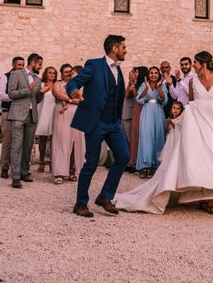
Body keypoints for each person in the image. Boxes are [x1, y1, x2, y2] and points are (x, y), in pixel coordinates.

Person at [115, 51, 213, 216]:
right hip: (199, 126)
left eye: (195, 63)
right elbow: (191, 103)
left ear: (203, 63)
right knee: (201, 161)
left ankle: (210, 199)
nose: (193, 66)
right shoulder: (193, 81)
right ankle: (207, 200)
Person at [66, 35, 130, 218]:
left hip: (113, 123)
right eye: (124, 47)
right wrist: (74, 91)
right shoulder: (94, 65)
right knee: (91, 162)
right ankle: (80, 204)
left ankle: (105, 196)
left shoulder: (119, 69)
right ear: (115, 49)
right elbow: (74, 82)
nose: (126, 50)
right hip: (96, 122)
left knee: (123, 157)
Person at [7, 53, 44, 188]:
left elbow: (37, 100)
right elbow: (11, 93)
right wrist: (27, 90)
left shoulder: (38, 80)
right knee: (17, 146)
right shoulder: (16, 74)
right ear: (33, 63)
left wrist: (41, 93)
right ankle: (15, 176)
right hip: (17, 114)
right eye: (39, 64)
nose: (40, 67)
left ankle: (24, 171)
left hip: (32, 115)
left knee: (28, 146)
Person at [135, 66, 168, 178]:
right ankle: (145, 166)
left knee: (158, 136)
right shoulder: (144, 85)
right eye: (151, 73)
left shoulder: (162, 85)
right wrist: (147, 87)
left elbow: (164, 99)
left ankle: (155, 166)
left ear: (158, 75)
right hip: (147, 110)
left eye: (155, 73)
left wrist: (158, 87)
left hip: (158, 111)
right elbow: (139, 99)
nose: (153, 75)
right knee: (146, 136)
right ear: (148, 75)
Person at [0, 56, 25, 179]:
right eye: (19, 65)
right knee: (7, 141)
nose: (21, 67)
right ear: (13, 65)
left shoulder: (25, 78)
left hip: (21, 112)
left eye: (23, 65)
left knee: (19, 142)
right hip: (8, 111)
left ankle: (18, 169)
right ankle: (4, 167)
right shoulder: (5, 77)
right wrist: (16, 96)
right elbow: (2, 95)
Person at [51, 64, 79, 184]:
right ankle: (59, 172)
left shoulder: (77, 83)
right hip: (62, 113)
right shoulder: (58, 83)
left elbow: (82, 96)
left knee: (74, 142)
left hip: (75, 114)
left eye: (70, 71)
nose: (68, 73)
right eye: (65, 71)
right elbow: (57, 93)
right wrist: (72, 100)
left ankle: (72, 170)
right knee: (61, 141)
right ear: (62, 73)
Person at [36, 66, 57, 173]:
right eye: (50, 72)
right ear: (46, 74)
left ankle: (52, 163)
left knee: (54, 140)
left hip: (54, 113)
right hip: (44, 113)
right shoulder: (41, 85)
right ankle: (41, 162)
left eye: (54, 73)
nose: (52, 74)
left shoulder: (57, 86)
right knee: (42, 140)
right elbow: (37, 99)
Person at [127, 66, 148, 172]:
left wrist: (133, 84)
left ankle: (138, 161)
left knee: (141, 134)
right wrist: (130, 83)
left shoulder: (144, 85)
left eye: (136, 72)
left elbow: (137, 98)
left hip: (143, 109)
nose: (134, 73)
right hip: (136, 110)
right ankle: (133, 160)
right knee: (134, 135)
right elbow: (127, 95)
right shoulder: (135, 83)